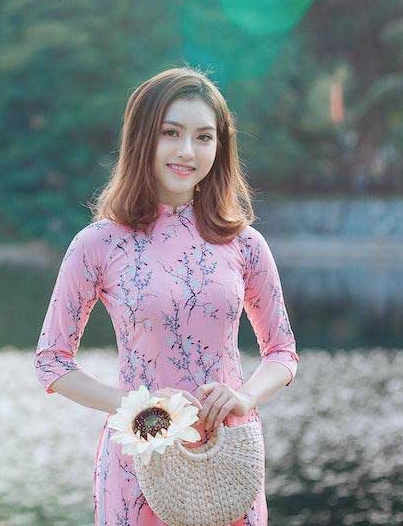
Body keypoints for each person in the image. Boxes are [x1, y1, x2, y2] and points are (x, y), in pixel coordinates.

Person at [33, 66, 299, 526]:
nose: (186, 151)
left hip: (228, 461)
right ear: (142, 139)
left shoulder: (245, 244)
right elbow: (52, 362)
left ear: (220, 146)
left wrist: (244, 396)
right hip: (140, 464)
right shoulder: (99, 244)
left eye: (203, 137)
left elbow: (282, 352)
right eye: (171, 133)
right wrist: (137, 408)